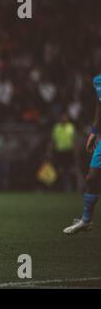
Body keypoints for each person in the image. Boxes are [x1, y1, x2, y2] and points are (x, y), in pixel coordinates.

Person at [63, 74, 101, 235]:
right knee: (92, 178)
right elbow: (100, 104)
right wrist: (94, 130)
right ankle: (86, 220)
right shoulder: (98, 80)